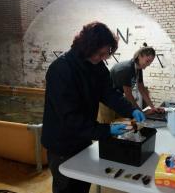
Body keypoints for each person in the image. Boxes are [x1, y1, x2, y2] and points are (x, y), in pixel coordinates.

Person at [41, 21, 145, 193]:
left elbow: (109, 93)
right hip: (61, 143)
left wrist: (131, 109)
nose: (103, 58)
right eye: (100, 53)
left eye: (106, 53)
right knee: (67, 187)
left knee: (83, 184)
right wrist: (107, 130)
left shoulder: (97, 66)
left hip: (83, 139)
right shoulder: (60, 69)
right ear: (86, 46)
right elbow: (70, 118)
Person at [110, 46, 164, 114]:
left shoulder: (138, 68)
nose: (149, 64)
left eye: (151, 62)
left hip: (117, 98)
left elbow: (142, 89)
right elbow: (128, 95)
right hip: (106, 101)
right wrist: (140, 112)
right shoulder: (127, 69)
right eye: (147, 61)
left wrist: (153, 107)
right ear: (139, 56)